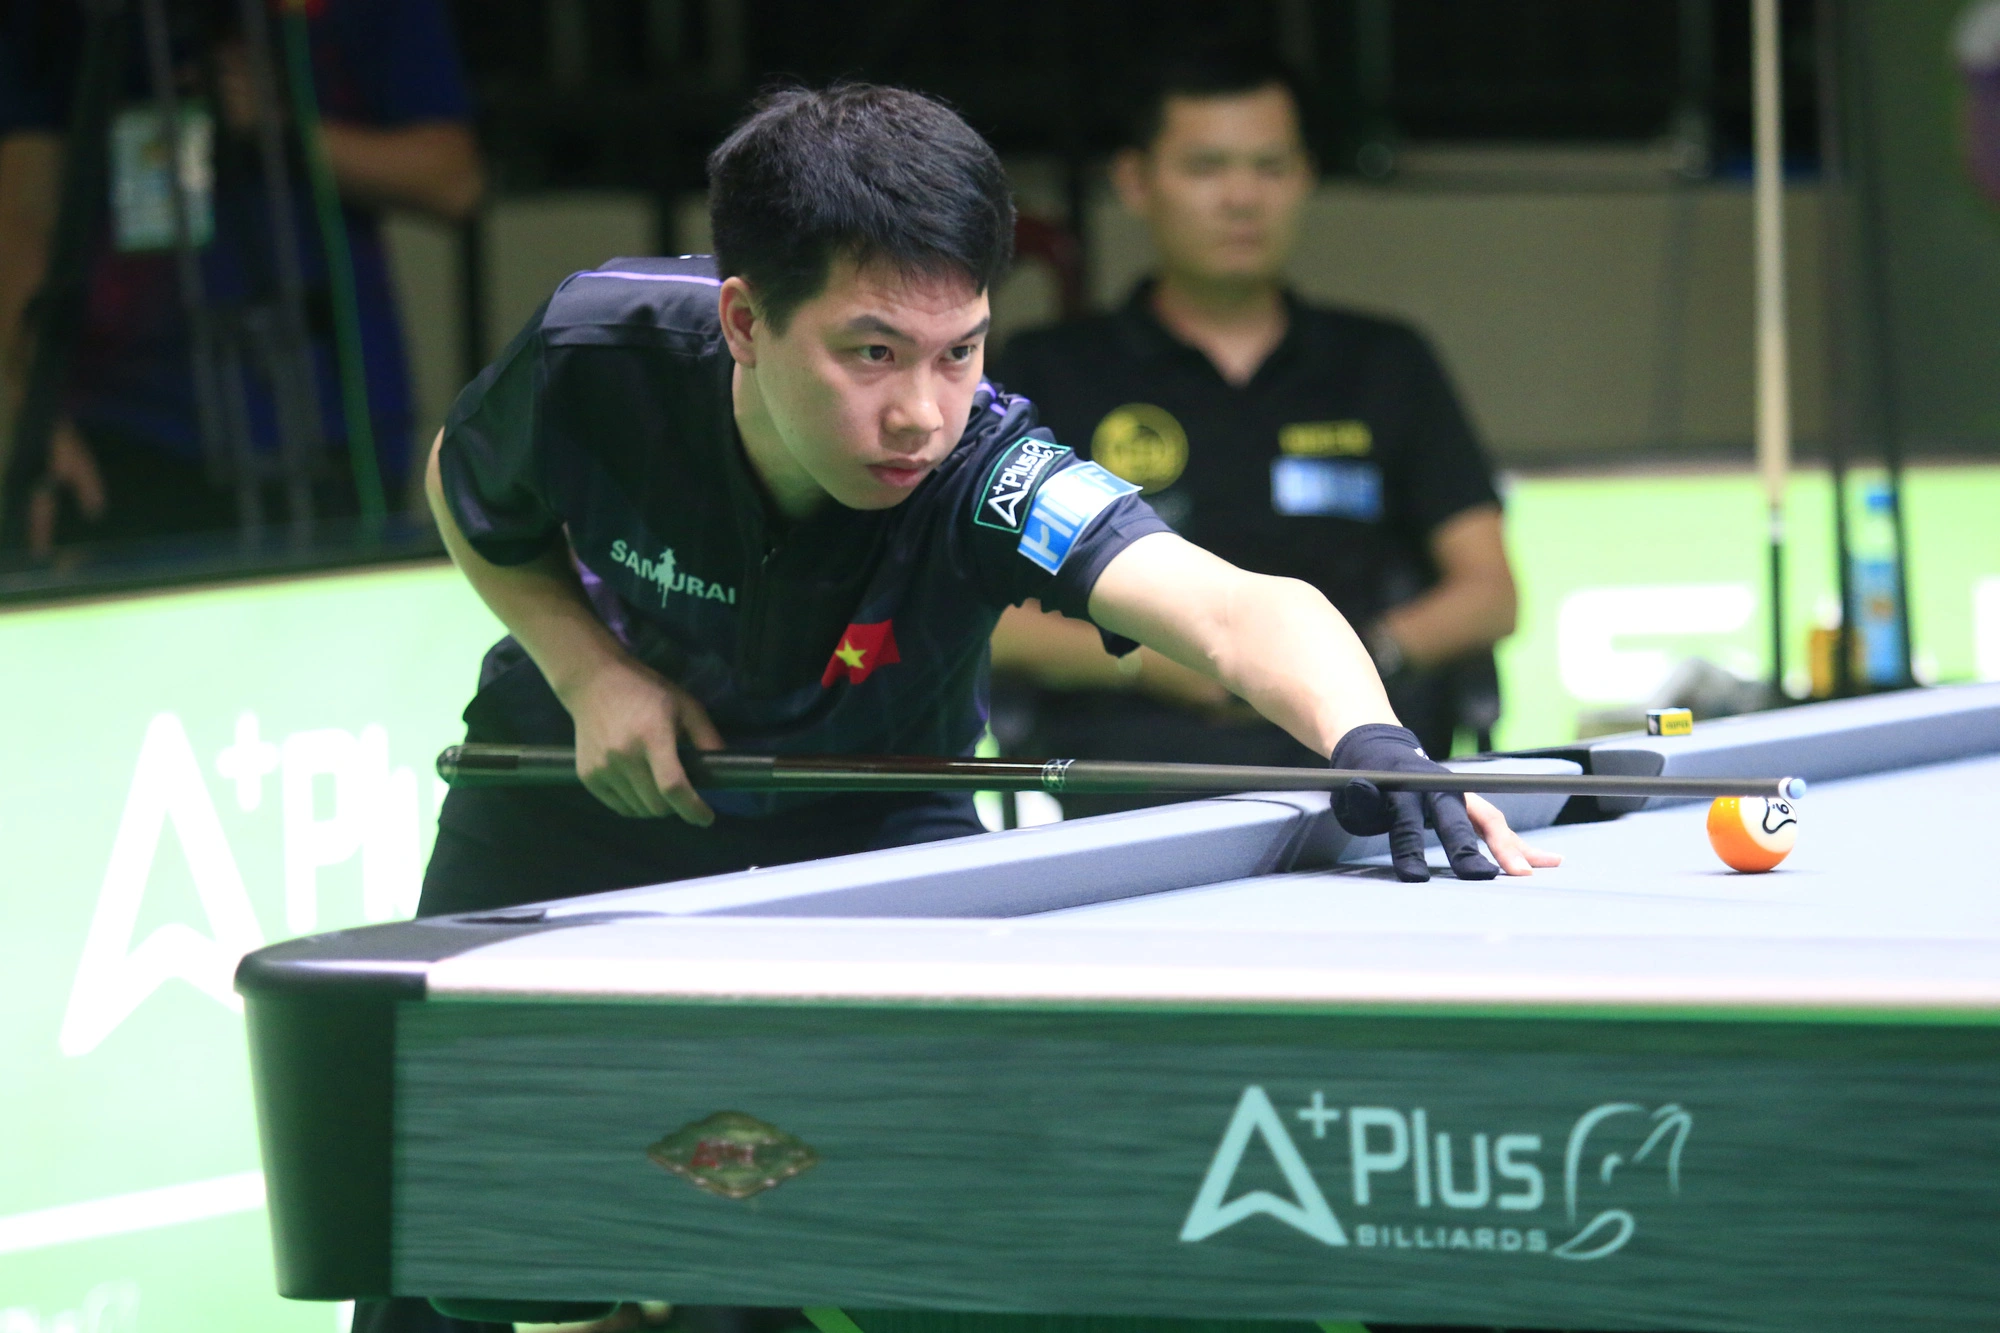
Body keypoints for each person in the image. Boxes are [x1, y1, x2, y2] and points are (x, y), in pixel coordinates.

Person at [388, 81, 1557, 1333]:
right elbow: (470, 486)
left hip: (874, 830)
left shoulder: (988, 468)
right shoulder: (596, 353)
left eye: (962, 352)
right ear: (743, 319)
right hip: (570, 791)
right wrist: (586, 671)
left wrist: (1370, 741)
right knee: (439, 1239)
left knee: (927, 1245)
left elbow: (1231, 609)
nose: (920, 413)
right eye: (871, 352)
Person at [991, 53, 1518, 806]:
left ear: (1305, 176)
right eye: (1206, 167)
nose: (1242, 197)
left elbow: (1491, 592)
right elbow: (980, 617)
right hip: (1138, 786)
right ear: (1135, 181)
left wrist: (1351, 657)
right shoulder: (1054, 370)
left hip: (1361, 773)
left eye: (1270, 166)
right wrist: (1152, 661)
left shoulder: (1385, 361)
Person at [0, 0, 482, 553]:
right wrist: (39, 415)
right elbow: (22, 211)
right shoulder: (67, 20)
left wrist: (281, 126)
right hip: (127, 418)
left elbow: (455, 179)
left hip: (329, 409)